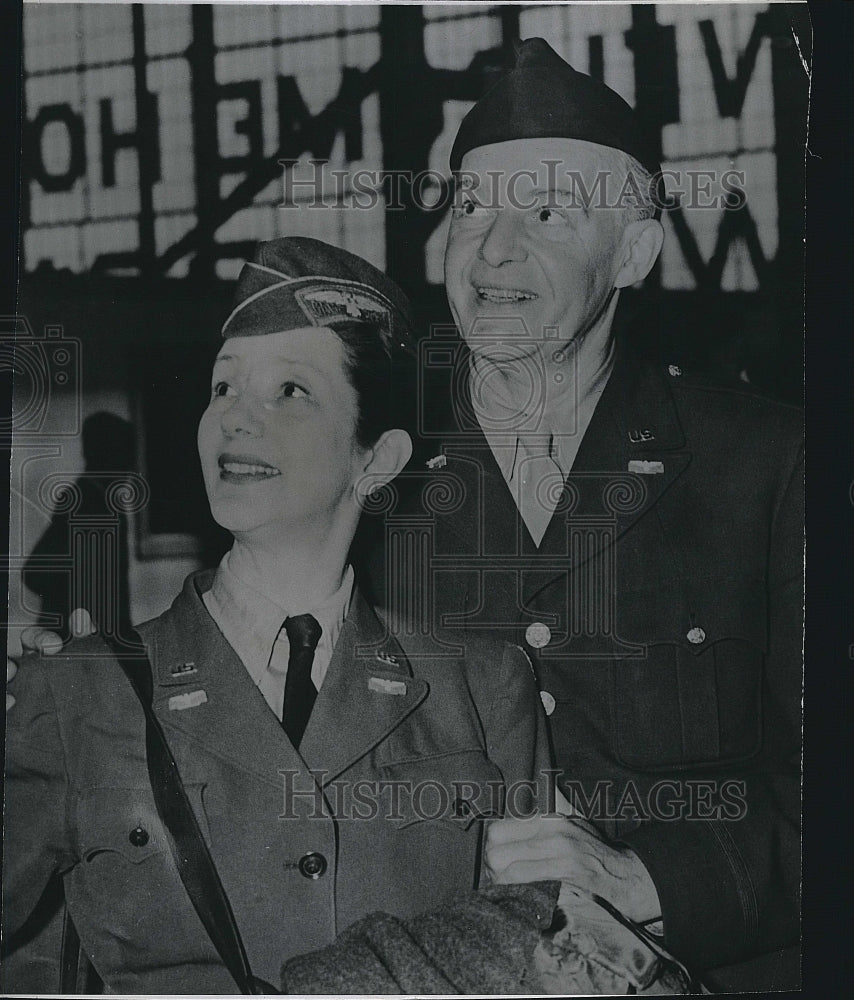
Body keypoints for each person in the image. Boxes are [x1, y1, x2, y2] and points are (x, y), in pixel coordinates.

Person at [2, 238, 550, 993]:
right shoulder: (74, 694)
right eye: (223, 388)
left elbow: (531, 942)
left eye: (290, 390)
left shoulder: (484, 689)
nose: (234, 419)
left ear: (377, 458)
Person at [379, 39, 800, 993]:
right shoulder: (368, 478)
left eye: (547, 214)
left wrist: (656, 877)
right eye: (473, 208)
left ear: (637, 252)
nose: (494, 250)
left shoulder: (769, 467)